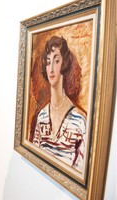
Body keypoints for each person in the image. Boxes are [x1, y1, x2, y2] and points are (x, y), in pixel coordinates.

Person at [31, 35, 87, 172]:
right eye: (48, 62)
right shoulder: (42, 116)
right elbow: (34, 158)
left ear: (64, 63)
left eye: (56, 61)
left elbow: (81, 170)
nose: (51, 68)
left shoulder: (80, 121)